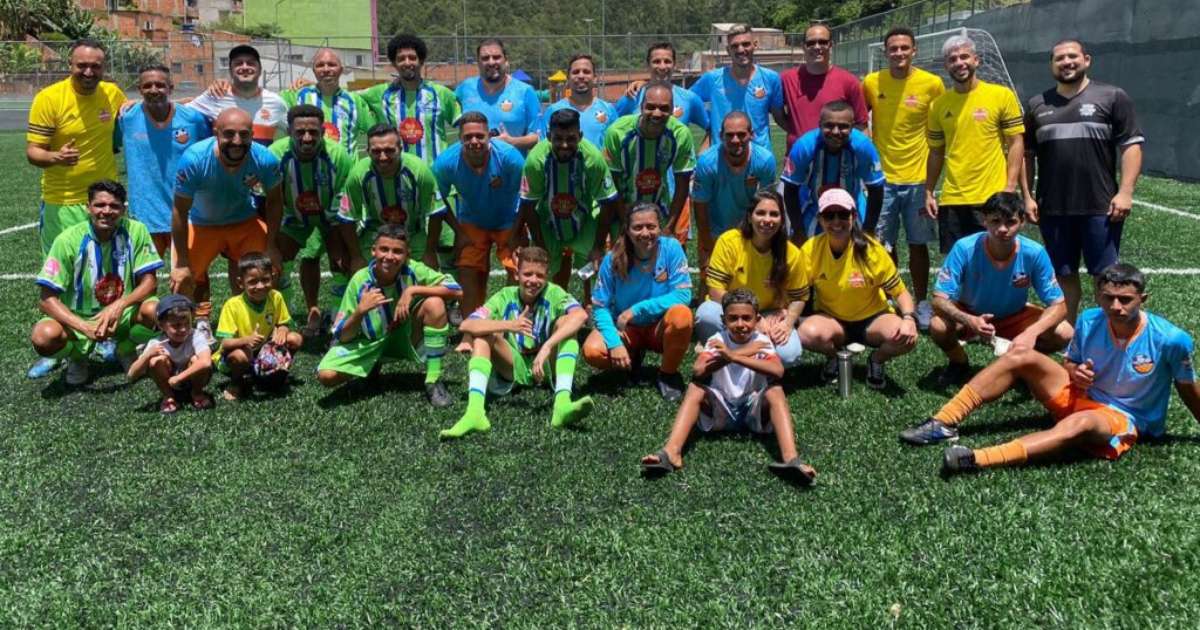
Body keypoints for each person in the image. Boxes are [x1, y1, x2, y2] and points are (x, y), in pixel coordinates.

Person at [902, 264, 1200, 476]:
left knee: (1082, 423)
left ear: (1143, 300)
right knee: (1020, 354)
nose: (1116, 306)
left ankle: (975, 459)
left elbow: (1188, 389)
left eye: (1125, 300)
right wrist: (1075, 371)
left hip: (1122, 416)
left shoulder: (1171, 339)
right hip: (1080, 394)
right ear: (1098, 296)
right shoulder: (1090, 319)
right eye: (1108, 298)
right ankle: (943, 422)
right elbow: (1070, 362)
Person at [1022, 38, 1145, 325]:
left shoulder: (1112, 96)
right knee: (1063, 275)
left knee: (1106, 277)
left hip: (1100, 206)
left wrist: (1126, 192)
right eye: (1059, 58)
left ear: (1086, 60)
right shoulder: (1037, 105)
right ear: (1051, 65)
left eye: (1072, 56)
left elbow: (1131, 145)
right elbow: (1027, 155)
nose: (1066, 62)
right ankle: (1070, 336)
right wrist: (1027, 196)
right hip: (1053, 207)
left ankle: (1108, 334)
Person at [639, 288, 816, 484]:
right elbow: (698, 371)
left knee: (775, 390)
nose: (740, 324)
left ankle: (791, 458)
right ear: (724, 320)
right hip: (720, 409)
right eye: (733, 318)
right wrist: (734, 356)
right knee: (695, 388)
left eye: (746, 318)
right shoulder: (717, 340)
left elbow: (777, 371)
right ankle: (671, 452)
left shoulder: (762, 341)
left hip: (752, 409)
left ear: (757, 320)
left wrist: (734, 356)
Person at [25, 38, 127, 379]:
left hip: (105, 202)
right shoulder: (49, 98)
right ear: (70, 65)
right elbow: (33, 151)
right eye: (81, 65)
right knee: (62, 277)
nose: (88, 71)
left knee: (108, 271)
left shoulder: (112, 94)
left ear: (103, 67)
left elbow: (149, 104)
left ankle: (107, 336)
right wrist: (56, 157)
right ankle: (63, 348)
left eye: (95, 66)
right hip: (62, 201)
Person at [442, 246, 593, 438]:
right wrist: (510, 325)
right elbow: (466, 325)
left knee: (566, 325)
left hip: (546, 365)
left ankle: (562, 405)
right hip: (513, 365)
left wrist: (547, 346)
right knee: (482, 335)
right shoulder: (505, 295)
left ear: (547, 277)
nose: (533, 280)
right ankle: (474, 413)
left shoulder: (555, 293)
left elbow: (580, 316)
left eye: (539, 275)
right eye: (527, 274)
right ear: (516, 274)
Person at [928, 192, 1072, 385]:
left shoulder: (1034, 252)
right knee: (938, 325)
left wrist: (1030, 334)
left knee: (1064, 332)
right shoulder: (964, 248)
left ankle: (1023, 362)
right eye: (995, 221)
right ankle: (959, 363)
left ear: (1022, 222)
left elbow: (1060, 306)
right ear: (984, 221)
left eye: (1010, 222)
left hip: (1015, 316)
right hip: (970, 313)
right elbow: (938, 300)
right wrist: (970, 320)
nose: (1003, 229)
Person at [32, 180, 162, 386]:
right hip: (78, 317)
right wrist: (84, 326)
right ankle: (77, 357)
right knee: (44, 337)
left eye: (114, 206)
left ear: (123, 209)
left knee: (156, 310)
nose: (106, 211)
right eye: (100, 205)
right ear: (88, 207)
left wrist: (120, 305)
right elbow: (46, 300)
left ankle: (125, 349)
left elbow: (150, 282)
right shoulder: (67, 240)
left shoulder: (136, 231)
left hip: (123, 315)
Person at [171, 108, 284, 344]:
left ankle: (255, 320)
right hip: (202, 224)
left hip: (243, 222)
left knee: (266, 268)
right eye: (229, 134)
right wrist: (181, 263)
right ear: (216, 133)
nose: (237, 141)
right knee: (184, 280)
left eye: (244, 134)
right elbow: (180, 211)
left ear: (253, 134)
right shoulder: (194, 159)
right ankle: (200, 322)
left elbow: (275, 201)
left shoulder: (264, 158)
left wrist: (272, 245)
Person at [316, 224, 461, 406]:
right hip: (369, 343)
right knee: (326, 376)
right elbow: (343, 336)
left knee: (435, 304)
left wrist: (412, 290)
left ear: (407, 255)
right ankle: (371, 367)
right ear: (373, 251)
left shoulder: (413, 269)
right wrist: (360, 311)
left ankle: (433, 380)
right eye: (384, 249)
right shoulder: (359, 281)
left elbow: (457, 290)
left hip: (405, 336)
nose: (390, 257)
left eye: (397, 251)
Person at [861, 26, 945, 330]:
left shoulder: (932, 84)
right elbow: (861, 120)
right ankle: (891, 300)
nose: (899, 53)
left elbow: (940, 126)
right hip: (882, 181)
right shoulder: (872, 82)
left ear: (914, 50)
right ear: (885, 52)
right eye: (893, 48)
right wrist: (868, 159)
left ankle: (921, 302)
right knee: (883, 245)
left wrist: (931, 183)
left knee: (918, 244)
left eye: (904, 48)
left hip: (918, 180)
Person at [796, 189, 919, 389]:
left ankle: (876, 360)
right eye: (829, 215)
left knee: (906, 338)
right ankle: (835, 357)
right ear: (820, 220)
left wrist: (909, 319)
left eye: (843, 214)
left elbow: (901, 293)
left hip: (873, 319)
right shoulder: (810, 250)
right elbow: (798, 292)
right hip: (833, 320)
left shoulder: (871, 249)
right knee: (806, 333)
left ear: (853, 216)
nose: (836, 221)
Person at [583, 202, 694, 401]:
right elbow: (600, 307)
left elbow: (683, 295)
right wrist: (614, 343)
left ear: (659, 227)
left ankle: (667, 374)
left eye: (651, 226)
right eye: (637, 227)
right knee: (593, 351)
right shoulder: (612, 258)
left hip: (659, 326)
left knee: (682, 316)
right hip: (626, 329)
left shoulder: (672, 248)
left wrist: (635, 310)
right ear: (627, 230)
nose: (645, 233)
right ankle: (631, 354)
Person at [925, 35, 1025, 255]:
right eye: (953, 59)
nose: (959, 63)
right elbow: (936, 152)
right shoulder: (937, 105)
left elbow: (1016, 142)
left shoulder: (1001, 95)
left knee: (996, 262)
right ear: (946, 66)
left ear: (976, 60)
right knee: (957, 265)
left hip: (992, 198)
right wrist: (929, 191)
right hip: (952, 199)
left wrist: (1009, 187)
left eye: (964, 57)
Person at [268, 104, 356, 335]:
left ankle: (338, 318)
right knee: (277, 264)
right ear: (289, 131)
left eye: (313, 132)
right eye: (300, 132)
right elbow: (267, 200)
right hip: (292, 216)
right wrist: (270, 243)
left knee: (341, 261)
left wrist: (340, 241)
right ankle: (283, 319)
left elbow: (345, 201)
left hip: (330, 216)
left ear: (323, 132)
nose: (307, 138)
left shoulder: (338, 156)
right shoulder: (275, 155)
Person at [513, 108, 620, 298]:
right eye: (558, 138)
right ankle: (549, 306)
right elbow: (528, 206)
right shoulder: (536, 161)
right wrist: (540, 246)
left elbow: (607, 203)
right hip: (548, 220)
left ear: (580, 136)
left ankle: (591, 304)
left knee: (595, 264)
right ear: (548, 137)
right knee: (542, 267)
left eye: (571, 138)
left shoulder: (593, 159)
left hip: (583, 219)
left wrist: (598, 246)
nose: (564, 145)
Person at [431, 112, 525, 318]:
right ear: (460, 138)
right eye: (468, 137)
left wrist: (517, 232)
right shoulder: (446, 163)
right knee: (468, 268)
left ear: (489, 136)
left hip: (508, 220)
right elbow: (437, 200)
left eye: (480, 136)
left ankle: (510, 319)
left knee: (518, 268)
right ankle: (471, 324)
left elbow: (527, 196)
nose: (474, 141)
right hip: (472, 221)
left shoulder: (510, 158)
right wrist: (459, 232)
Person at [699, 191, 805, 367]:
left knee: (789, 356)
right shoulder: (729, 241)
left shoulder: (792, 253)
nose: (767, 220)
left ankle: (744, 361)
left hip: (771, 314)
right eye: (760, 213)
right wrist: (753, 319)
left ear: (782, 220)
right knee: (706, 314)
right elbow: (715, 290)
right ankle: (731, 360)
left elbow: (799, 297)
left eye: (774, 214)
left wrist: (787, 323)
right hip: (733, 311)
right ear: (749, 216)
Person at [117, 64, 212, 257]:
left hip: (187, 212)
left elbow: (210, 150)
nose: (154, 90)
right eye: (147, 86)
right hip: (145, 213)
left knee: (191, 273)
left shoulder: (193, 118)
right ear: (139, 89)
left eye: (160, 85)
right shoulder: (127, 118)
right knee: (144, 273)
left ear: (171, 88)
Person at [692, 111, 777, 296]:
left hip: (748, 229)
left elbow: (768, 204)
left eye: (741, 134)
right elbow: (700, 206)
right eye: (729, 135)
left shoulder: (764, 160)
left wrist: (758, 236)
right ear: (721, 136)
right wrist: (707, 244)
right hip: (715, 228)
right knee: (709, 281)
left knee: (749, 281)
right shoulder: (707, 162)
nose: (735, 140)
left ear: (751, 135)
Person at [603, 81, 696, 244]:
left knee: (660, 257)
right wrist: (626, 223)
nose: (657, 113)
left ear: (672, 110)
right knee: (621, 257)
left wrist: (669, 228)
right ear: (641, 107)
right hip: (622, 209)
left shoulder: (680, 134)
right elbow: (612, 184)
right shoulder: (617, 133)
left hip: (659, 209)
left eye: (664, 108)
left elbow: (682, 185)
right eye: (650, 107)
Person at [781, 101, 885, 244]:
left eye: (843, 126)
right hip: (814, 208)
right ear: (820, 125)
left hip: (852, 209)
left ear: (852, 126)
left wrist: (868, 229)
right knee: (808, 253)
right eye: (829, 125)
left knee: (859, 251)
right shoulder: (804, 146)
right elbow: (791, 189)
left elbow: (876, 189)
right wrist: (799, 230)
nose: (836, 132)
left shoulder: (863, 146)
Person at [342, 124, 442, 271]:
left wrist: (430, 252)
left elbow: (436, 213)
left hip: (413, 234)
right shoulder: (358, 174)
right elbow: (347, 218)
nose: (383, 157)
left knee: (427, 278)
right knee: (361, 277)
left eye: (389, 150)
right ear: (367, 151)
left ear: (400, 149)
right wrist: (356, 257)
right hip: (374, 234)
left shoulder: (419, 170)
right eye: (376, 151)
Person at [214, 252, 303, 401]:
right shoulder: (232, 305)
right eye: (253, 282)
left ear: (272, 277)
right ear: (241, 283)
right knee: (240, 356)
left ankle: (276, 372)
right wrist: (247, 340)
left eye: (265, 280)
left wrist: (282, 330)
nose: (260, 286)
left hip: (262, 351)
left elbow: (283, 322)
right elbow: (225, 343)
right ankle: (236, 382)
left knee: (295, 339)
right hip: (235, 355)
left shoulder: (276, 297)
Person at [359, 34, 460, 163]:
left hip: (434, 172)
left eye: (412, 58)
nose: (407, 63)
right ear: (394, 63)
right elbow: (349, 98)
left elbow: (465, 125)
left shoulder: (441, 93)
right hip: (397, 172)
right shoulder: (380, 93)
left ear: (421, 61)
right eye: (401, 59)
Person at [690, 24, 787, 152]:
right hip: (722, 156)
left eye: (746, 44)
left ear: (755, 45)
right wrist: (709, 124)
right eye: (734, 46)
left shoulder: (771, 78)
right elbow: (686, 101)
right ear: (728, 50)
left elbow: (780, 118)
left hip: (759, 157)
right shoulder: (712, 79)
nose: (741, 50)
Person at [780, 22, 869, 148]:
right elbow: (777, 114)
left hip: (836, 157)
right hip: (797, 157)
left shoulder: (849, 81)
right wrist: (795, 134)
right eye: (811, 43)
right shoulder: (786, 79)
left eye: (822, 42)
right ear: (804, 47)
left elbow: (861, 125)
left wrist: (864, 156)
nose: (817, 47)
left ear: (830, 45)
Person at [128, 294, 214, 413]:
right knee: (155, 361)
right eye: (176, 325)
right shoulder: (157, 343)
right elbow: (131, 375)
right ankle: (169, 396)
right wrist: (147, 355)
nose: (183, 329)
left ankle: (197, 393)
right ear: (161, 325)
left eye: (187, 323)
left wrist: (178, 378)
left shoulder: (196, 336)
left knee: (196, 360)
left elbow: (206, 362)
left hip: (192, 379)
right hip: (169, 382)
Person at [189, 45, 289, 145]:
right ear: (230, 71)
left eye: (250, 63)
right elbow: (182, 112)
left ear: (260, 70)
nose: (245, 67)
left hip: (261, 156)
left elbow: (293, 130)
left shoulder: (276, 102)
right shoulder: (216, 95)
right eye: (238, 63)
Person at [455, 39, 541, 153]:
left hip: (510, 164)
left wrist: (512, 142)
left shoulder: (525, 92)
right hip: (470, 163)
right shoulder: (464, 88)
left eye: (496, 57)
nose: (491, 62)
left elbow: (537, 137)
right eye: (485, 58)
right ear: (478, 63)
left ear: (506, 60)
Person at [281, 48, 375, 153]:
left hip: (345, 164)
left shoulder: (354, 101)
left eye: (331, 64)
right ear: (314, 71)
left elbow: (375, 132)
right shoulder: (297, 96)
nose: (326, 69)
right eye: (320, 65)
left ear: (341, 70)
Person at [613, 42, 709, 132]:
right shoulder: (633, 96)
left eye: (667, 61)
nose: (662, 67)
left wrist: (705, 146)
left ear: (674, 65)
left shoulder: (689, 98)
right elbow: (610, 125)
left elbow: (711, 128)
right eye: (656, 61)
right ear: (648, 65)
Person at [539, 54, 618, 147]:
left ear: (595, 78)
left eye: (586, 72)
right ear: (568, 78)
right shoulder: (553, 110)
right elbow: (543, 148)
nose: (581, 76)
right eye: (576, 72)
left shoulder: (608, 110)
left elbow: (616, 147)